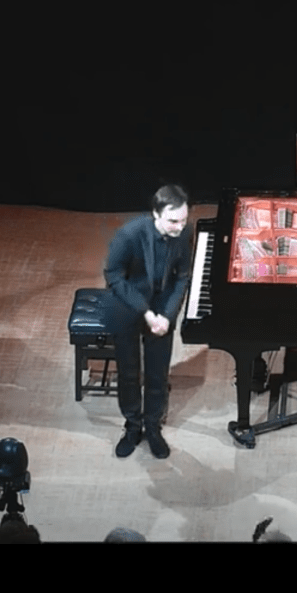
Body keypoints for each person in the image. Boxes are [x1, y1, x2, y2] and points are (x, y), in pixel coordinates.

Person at [104, 184, 192, 459]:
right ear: (156, 214)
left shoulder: (184, 232)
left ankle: (153, 427)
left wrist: (167, 315)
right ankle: (132, 426)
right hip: (129, 305)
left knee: (157, 374)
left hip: (162, 309)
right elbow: (113, 275)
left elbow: (182, 277)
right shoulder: (129, 234)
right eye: (173, 221)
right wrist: (145, 311)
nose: (180, 226)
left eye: (184, 220)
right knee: (129, 372)